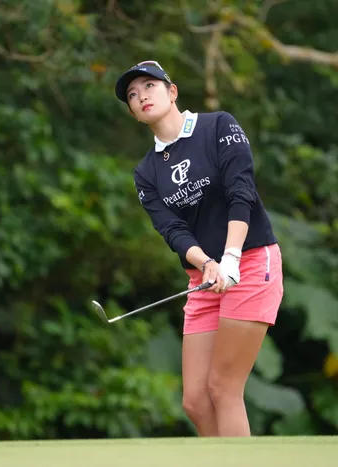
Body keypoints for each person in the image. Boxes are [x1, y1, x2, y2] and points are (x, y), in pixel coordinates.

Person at [114, 60, 284, 437]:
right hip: (204, 277)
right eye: (132, 95)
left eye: (149, 86)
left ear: (172, 92)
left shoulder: (218, 126)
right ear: (133, 113)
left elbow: (241, 192)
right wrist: (207, 263)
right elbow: (172, 229)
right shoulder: (146, 172)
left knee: (223, 388)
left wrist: (231, 257)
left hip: (250, 261)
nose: (141, 96)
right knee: (195, 401)